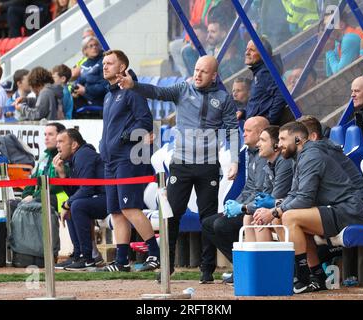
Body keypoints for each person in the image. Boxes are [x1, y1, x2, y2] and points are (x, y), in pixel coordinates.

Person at [117, 54, 239, 282]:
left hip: (208, 166)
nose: (198, 74)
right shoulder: (183, 89)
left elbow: (232, 130)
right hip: (181, 164)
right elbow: (157, 92)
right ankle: (167, 266)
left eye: (204, 71)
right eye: (196, 69)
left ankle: (207, 270)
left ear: (214, 76)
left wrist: (234, 160)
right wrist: (133, 85)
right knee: (171, 216)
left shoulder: (223, 98)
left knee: (208, 219)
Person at [253, 121, 363, 294]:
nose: (279, 144)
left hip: (347, 210)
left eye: (283, 139)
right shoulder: (298, 157)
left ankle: (303, 277)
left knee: (289, 217)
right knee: (281, 217)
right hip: (332, 209)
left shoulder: (312, 156)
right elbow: (293, 194)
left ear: (298, 140)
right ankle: (317, 275)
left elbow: (305, 199)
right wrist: (274, 211)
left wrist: (275, 210)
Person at [97, 49, 160, 273]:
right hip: (110, 161)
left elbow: (145, 120)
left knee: (130, 207)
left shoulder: (132, 92)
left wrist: (126, 136)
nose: (104, 66)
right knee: (116, 211)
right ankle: (121, 260)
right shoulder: (108, 95)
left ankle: (156, 254)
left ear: (122, 67)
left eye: (110, 63)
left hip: (127, 159)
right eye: (104, 63)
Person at [201, 116, 269, 283]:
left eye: (248, 131)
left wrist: (242, 207)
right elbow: (249, 187)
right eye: (243, 130)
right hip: (248, 205)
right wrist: (237, 203)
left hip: (260, 208)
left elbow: (262, 191)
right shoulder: (249, 153)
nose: (243, 134)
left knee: (221, 225)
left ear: (260, 133)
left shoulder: (266, 155)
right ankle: (241, 266)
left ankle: (249, 266)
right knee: (208, 223)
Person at [53, 128, 107, 270]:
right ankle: (79, 255)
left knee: (75, 205)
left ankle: (87, 258)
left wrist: (67, 204)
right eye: (57, 141)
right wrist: (62, 175)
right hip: (99, 198)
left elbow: (87, 189)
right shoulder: (75, 158)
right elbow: (77, 192)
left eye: (61, 141)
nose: (57, 145)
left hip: (110, 198)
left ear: (74, 145)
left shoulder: (83, 155)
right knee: (73, 203)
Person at [243, 125, 293, 242]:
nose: (258, 144)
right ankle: (256, 258)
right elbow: (264, 194)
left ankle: (270, 259)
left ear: (276, 146)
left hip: (287, 206)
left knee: (259, 215)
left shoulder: (285, 162)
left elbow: (275, 197)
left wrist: (243, 207)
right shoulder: (269, 164)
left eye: (263, 140)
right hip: (280, 206)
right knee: (250, 216)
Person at [243, 38, 286, 124]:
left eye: (251, 50)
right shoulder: (259, 73)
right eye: (247, 49)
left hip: (261, 130)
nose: (246, 53)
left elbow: (281, 95)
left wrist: (268, 121)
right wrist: (244, 112)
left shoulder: (265, 72)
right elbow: (261, 102)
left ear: (263, 54)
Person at [72, 36, 107, 113]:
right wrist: (74, 90)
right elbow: (78, 82)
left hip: (99, 101)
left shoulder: (104, 62)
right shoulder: (84, 64)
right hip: (83, 100)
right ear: (85, 50)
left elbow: (104, 86)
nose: (94, 47)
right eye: (91, 46)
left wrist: (85, 90)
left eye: (96, 45)